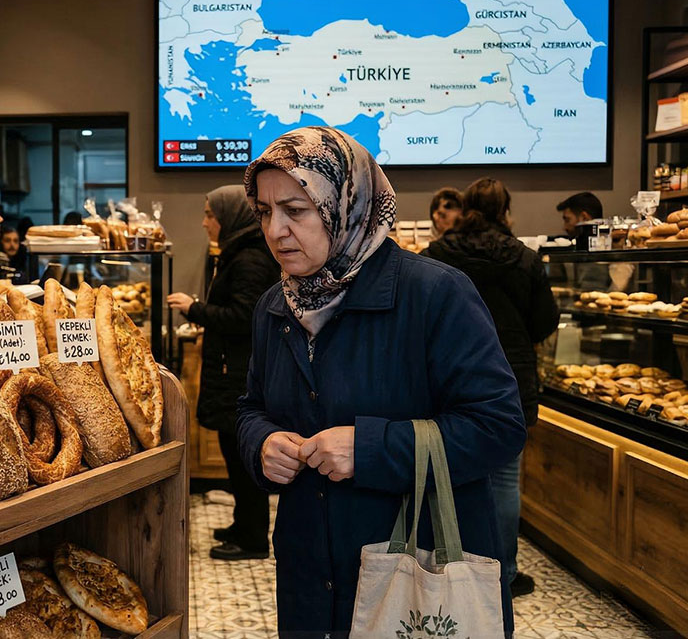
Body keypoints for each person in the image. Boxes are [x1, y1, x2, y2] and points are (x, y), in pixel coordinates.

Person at [235, 127, 526, 636]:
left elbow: (498, 426)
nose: (275, 229)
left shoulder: (435, 294)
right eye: (264, 211)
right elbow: (250, 407)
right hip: (309, 580)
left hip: (419, 577)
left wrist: (369, 449)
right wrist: (261, 443)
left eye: (295, 210)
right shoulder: (275, 306)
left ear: (346, 203)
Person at [423, 177, 559, 599]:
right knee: (503, 479)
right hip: (510, 378)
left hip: (448, 376)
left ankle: (444, 565)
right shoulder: (524, 258)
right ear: (506, 210)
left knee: (442, 471)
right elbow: (545, 322)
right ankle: (503, 573)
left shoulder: (440, 253)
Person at [167, 186, 280, 561]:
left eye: (208, 215)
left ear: (227, 217)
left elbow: (243, 317)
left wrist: (195, 309)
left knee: (245, 459)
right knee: (235, 455)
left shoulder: (248, 259)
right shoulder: (238, 253)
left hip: (239, 375)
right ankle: (241, 524)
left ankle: (251, 540)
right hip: (232, 371)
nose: (203, 222)